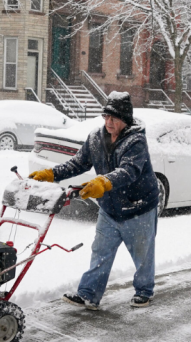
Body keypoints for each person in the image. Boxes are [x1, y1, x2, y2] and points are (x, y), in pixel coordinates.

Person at [29, 91, 159, 309]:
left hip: (139, 207)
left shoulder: (136, 141)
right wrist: (51, 173)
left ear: (125, 120)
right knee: (100, 251)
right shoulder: (96, 138)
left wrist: (104, 182)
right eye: (106, 116)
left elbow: (129, 171)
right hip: (109, 208)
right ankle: (89, 294)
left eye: (114, 118)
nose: (108, 122)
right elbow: (78, 163)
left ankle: (144, 291)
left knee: (142, 254)